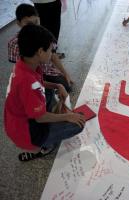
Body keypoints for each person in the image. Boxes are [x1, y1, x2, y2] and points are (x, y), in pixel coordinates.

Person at [4, 24, 85, 162]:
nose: (52, 53)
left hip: (15, 119)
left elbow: (39, 84)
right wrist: (68, 116)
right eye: (50, 50)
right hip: (26, 131)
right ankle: (43, 147)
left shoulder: (24, 64)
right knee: (78, 124)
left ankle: (48, 130)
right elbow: (39, 117)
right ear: (40, 52)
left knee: (49, 93)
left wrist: (57, 85)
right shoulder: (28, 82)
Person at [8, 3, 72, 92]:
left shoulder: (46, 36)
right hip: (30, 76)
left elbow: (53, 56)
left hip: (47, 72)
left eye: (36, 22)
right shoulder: (14, 44)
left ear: (39, 19)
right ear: (19, 23)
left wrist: (65, 73)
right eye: (28, 23)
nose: (34, 26)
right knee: (41, 94)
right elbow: (19, 69)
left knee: (67, 86)